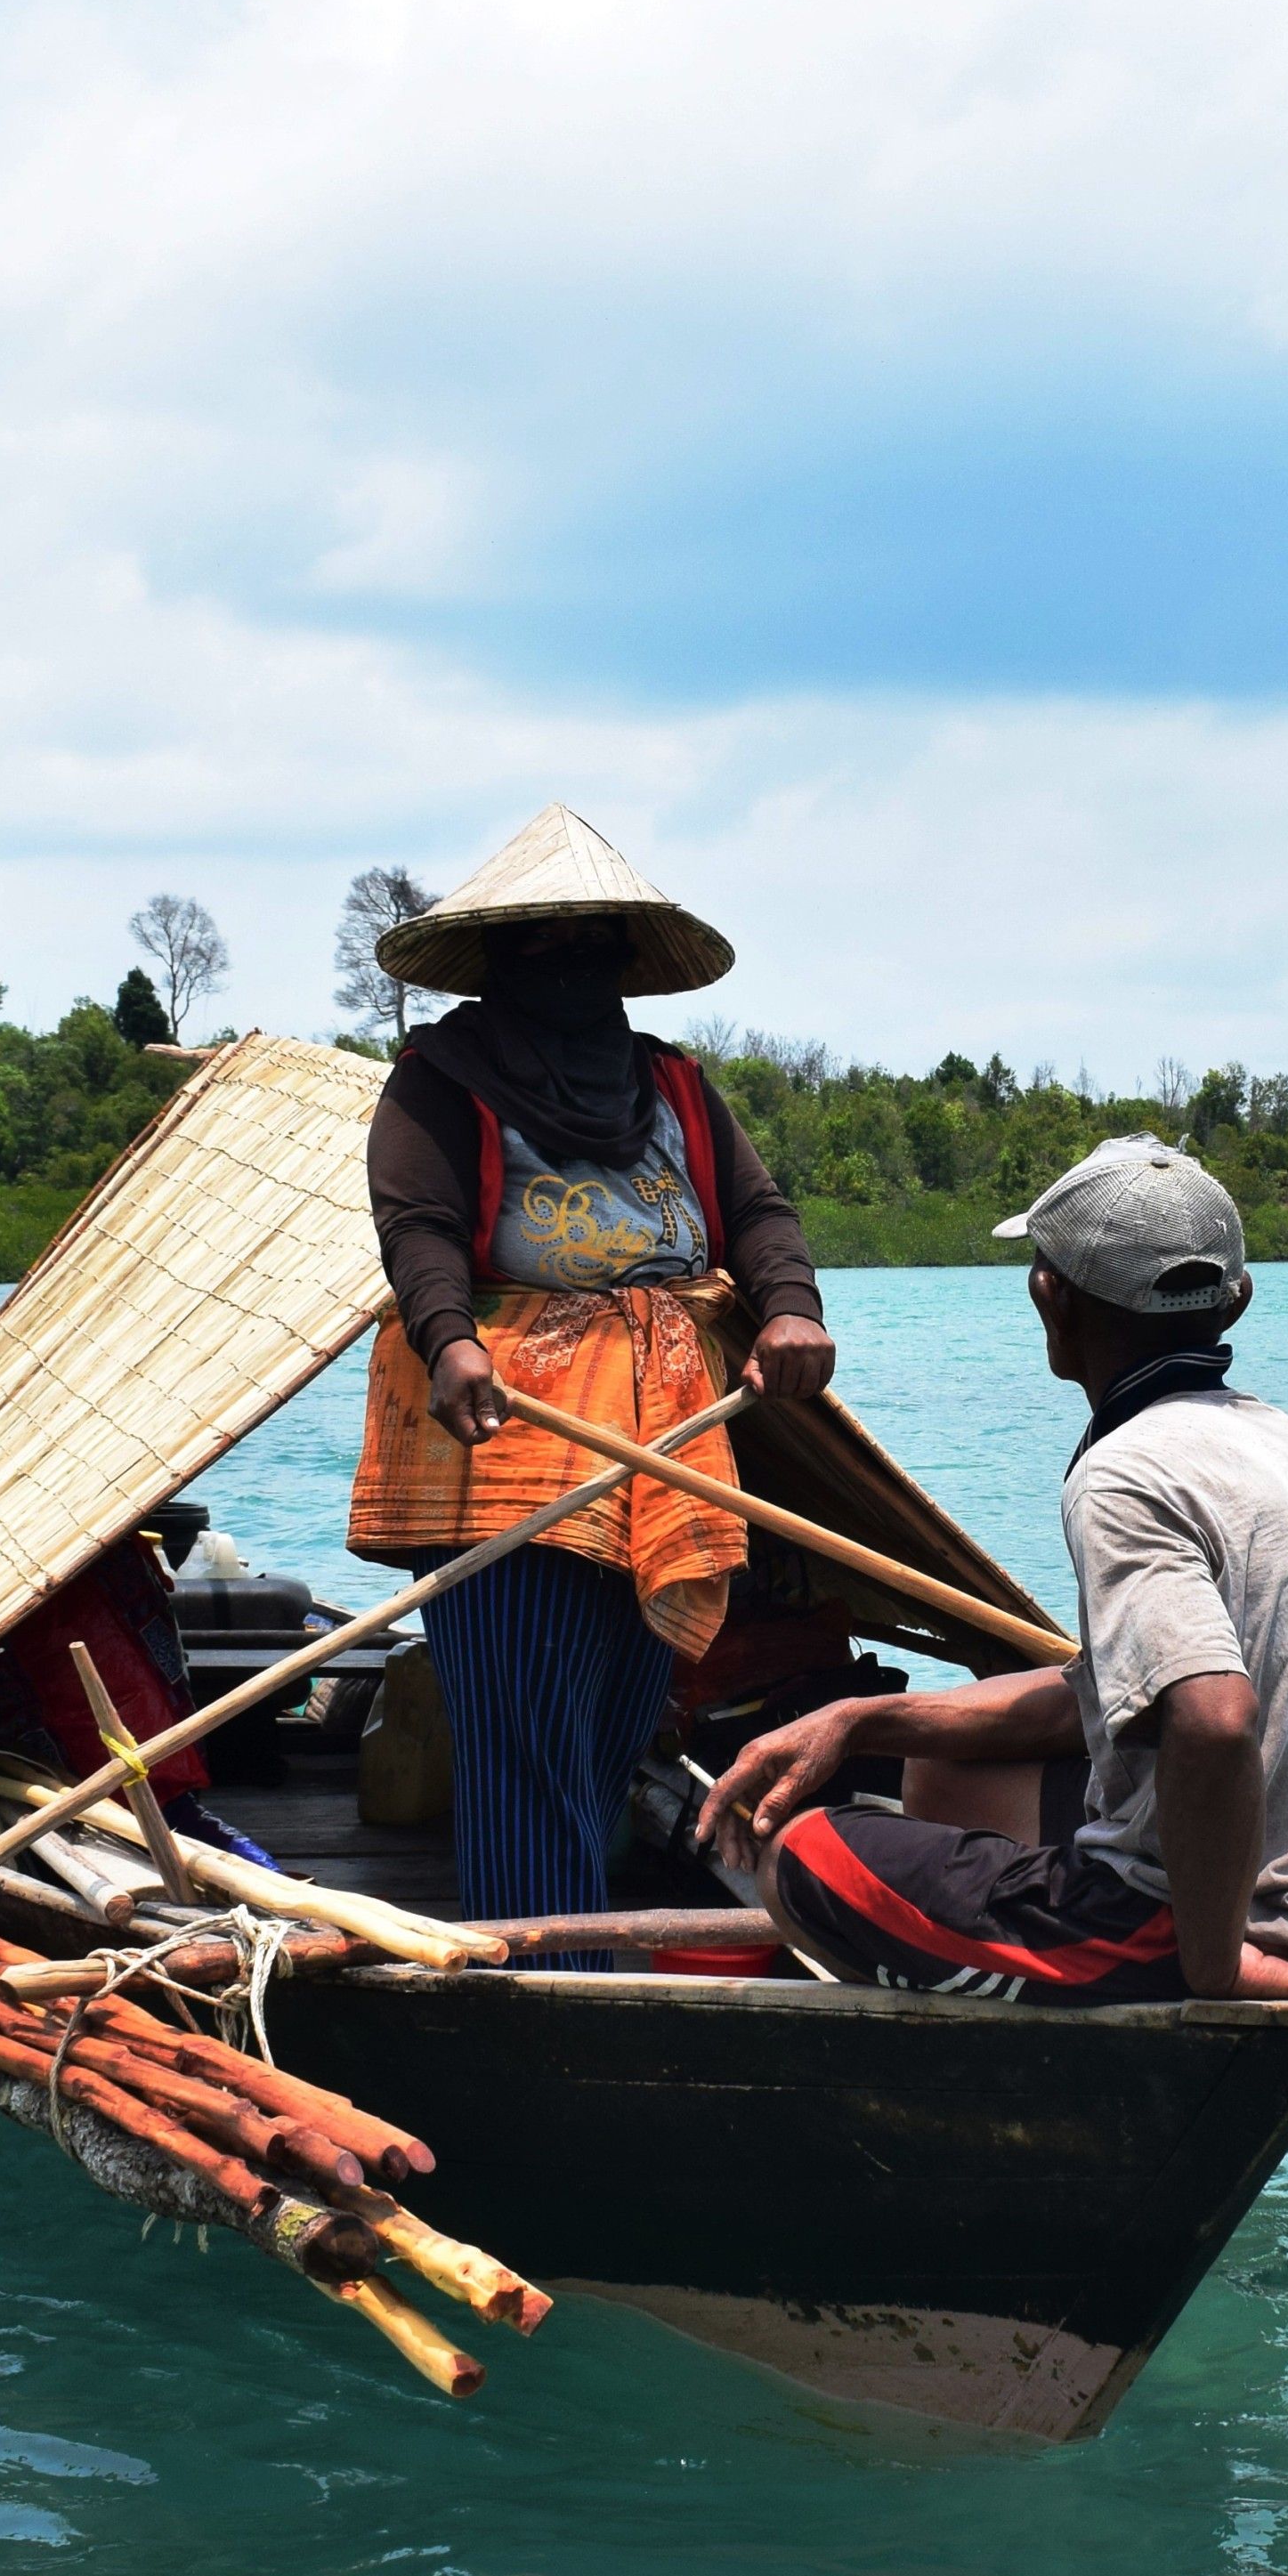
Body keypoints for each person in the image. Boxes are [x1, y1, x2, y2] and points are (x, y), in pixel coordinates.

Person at [697, 1135, 1288, 2005]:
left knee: (803, 1858)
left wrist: (1217, 1966)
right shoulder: (1282, 1443)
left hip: (1215, 1934)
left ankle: (1079, 2003)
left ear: (1050, 1293)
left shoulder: (1126, 1472)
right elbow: (1112, 1692)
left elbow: (1214, 1719)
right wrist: (858, 1720)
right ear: (1235, 1300)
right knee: (940, 1774)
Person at [346, 803, 832, 1940]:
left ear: (622, 962)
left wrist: (791, 1312)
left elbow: (757, 1215)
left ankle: (577, 1936)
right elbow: (416, 1226)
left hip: (659, 1447)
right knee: (525, 1729)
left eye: (589, 945)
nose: (567, 966)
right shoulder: (439, 1078)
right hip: (508, 1448)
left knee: (618, 1720)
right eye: (540, 944)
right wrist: (453, 1339)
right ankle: (531, 1969)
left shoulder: (668, 1084)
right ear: (499, 961)